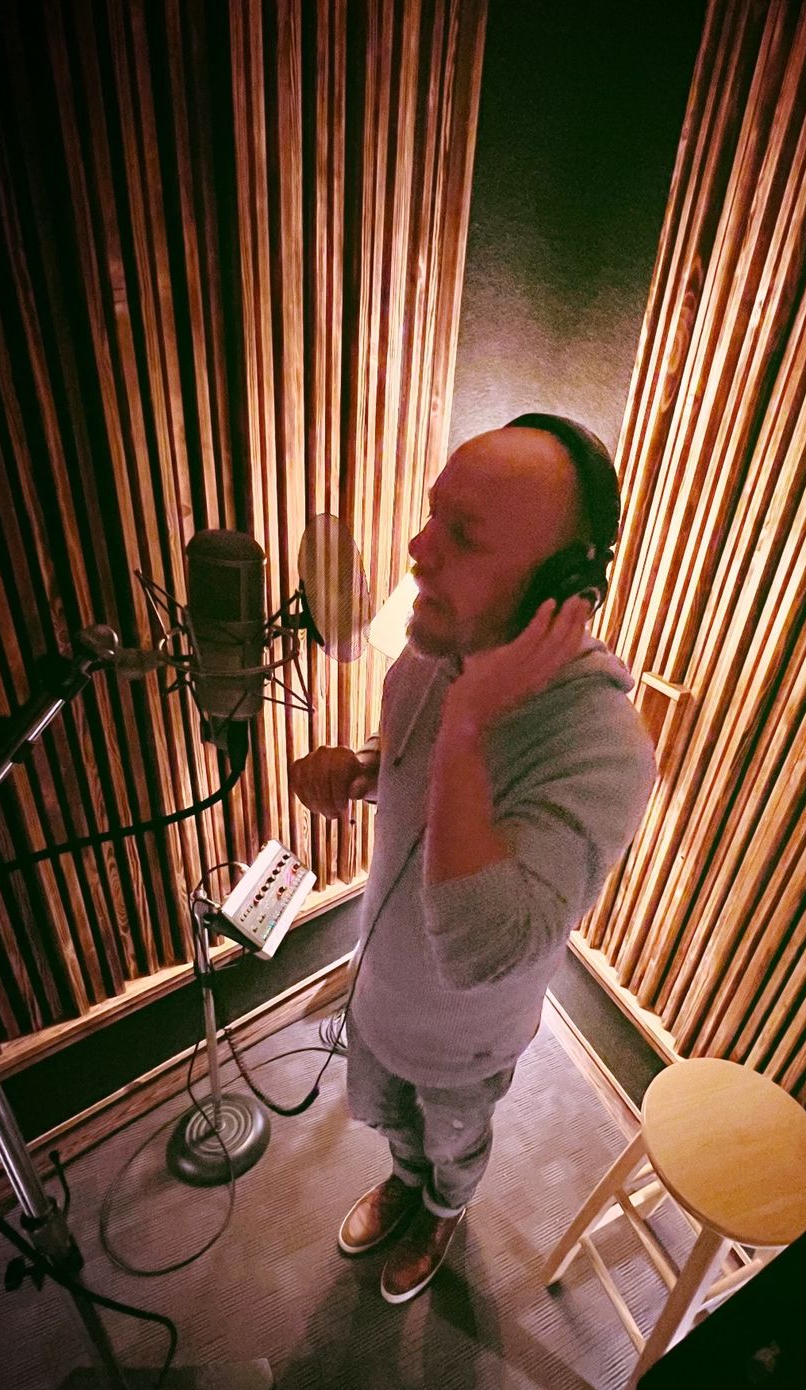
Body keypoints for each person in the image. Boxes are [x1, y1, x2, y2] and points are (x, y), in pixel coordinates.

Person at [290, 414, 656, 1304]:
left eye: (463, 533)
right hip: (381, 986)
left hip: (468, 1035)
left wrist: (468, 725)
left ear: (561, 587)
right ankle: (404, 1182)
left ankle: (443, 1211)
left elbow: (481, 945)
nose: (417, 550)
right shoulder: (429, 658)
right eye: (433, 516)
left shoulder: (606, 748)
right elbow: (406, 769)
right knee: (394, 1122)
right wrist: (364, 770)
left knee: (454, 1141)